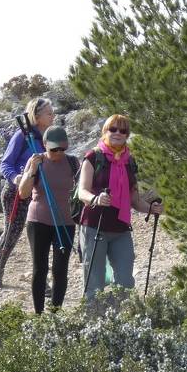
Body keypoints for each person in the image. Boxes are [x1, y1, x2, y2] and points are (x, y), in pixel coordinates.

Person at [76, 114, 163, 299]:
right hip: (94, 226)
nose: (117, 133)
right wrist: (96, 199)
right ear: (104, 131)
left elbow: (134, 200)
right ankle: (92, 321)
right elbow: (82, 192)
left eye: (123, 130)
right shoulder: (93, 157)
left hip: (121, 228)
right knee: (95, 283)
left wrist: (150, 209)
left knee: (125, 283)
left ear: (127, 135)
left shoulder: (129, 162)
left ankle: (120, 324)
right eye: (113, 129)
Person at [0, 97, 54, 289]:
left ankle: (42, 283)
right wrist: (16, 178)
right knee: (12, 232)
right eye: (49, 113)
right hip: (16, 192)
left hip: (41, 194)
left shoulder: (50, 138)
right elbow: (5, 164)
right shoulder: (22, 135)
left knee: (41, 236)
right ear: (36, 115)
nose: (53, 115)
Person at [17, 125, 76, 314]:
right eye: (54, 149)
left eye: (62, 148)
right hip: (38, 222)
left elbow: (84, 188)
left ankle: (55, 314)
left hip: (65, 223)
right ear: (44, 145)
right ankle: (38, 314)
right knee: (40, 269)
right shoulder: (37, 161)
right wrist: (32, 169)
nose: (59, 152)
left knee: (60, 270)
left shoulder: (74, 163)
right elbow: (23, 193)